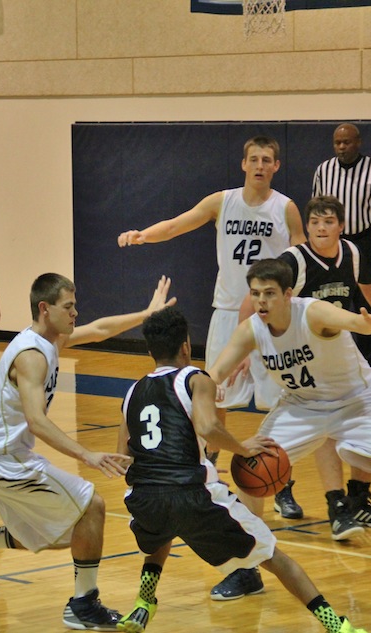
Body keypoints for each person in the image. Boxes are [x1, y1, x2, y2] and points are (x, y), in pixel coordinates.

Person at [117, 135, 305, 600]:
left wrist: (288, 303)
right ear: (243, 163)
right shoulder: (221, 201)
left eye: (267, 160)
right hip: (226, 316)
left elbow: (301, 261)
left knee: (285, 402)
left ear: (276, 166)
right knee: (214, 404)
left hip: (271, 315)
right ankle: (210, 474)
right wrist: (144, 234)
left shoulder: (286, 209)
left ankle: (279, 480)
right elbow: (179, 224)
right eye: (253, 159)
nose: (260, 165)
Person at [113, 306, 366, 633]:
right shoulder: (195, 378)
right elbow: (208, 428)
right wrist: (243, 447)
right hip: (193, 494)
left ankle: (143, 603)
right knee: (275, 557)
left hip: (142, 497)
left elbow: (123, 456)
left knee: (159, 533)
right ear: (187, 346)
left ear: (149, 351)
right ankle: (337, 626)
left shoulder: (132, 392)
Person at [0, 273, 174, 631]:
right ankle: (83, 604)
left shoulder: (48, 340)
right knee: (91, 506)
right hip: (4, 460)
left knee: (66, 535)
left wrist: (146, 314)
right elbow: (36, 421)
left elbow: (99, 329)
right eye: (68, 307)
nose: (75, 313)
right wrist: (88, 455)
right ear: (44, 308)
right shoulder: (32, 356)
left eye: (74, 306)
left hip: (1, 456)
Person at [208, 258, 371, 592]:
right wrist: (200, 386)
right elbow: (216, 371)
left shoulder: (312, 313)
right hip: (301, 406)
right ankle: (248, 567)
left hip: (356, 403)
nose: (261, 301)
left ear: (288, 294)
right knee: (251, 472)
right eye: (255, 294)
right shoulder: (252, 328)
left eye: (269, 293)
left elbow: (356, 322)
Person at [267, 195, 371, 535]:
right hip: (300, 356)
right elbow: (255, 298)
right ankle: (314, 496)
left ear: (341, 227)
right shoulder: (294, 261)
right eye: (314, 222)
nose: (320, 228)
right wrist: (247, 345)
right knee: (318, 427)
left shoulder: (353, 253)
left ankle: (358, 501)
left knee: (369, 414)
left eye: (328, 221)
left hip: (341, 350)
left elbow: (369, 284)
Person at [312, 122, 371, 372]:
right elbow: (316, 211)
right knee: (332, 301)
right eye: (337, 143)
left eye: (347, 142)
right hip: (333, 244)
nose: (341, 147)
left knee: (367, 303)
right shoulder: (324, 170)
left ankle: (368, 370)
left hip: (365, 241)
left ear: (358, 142)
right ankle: (331, 366)